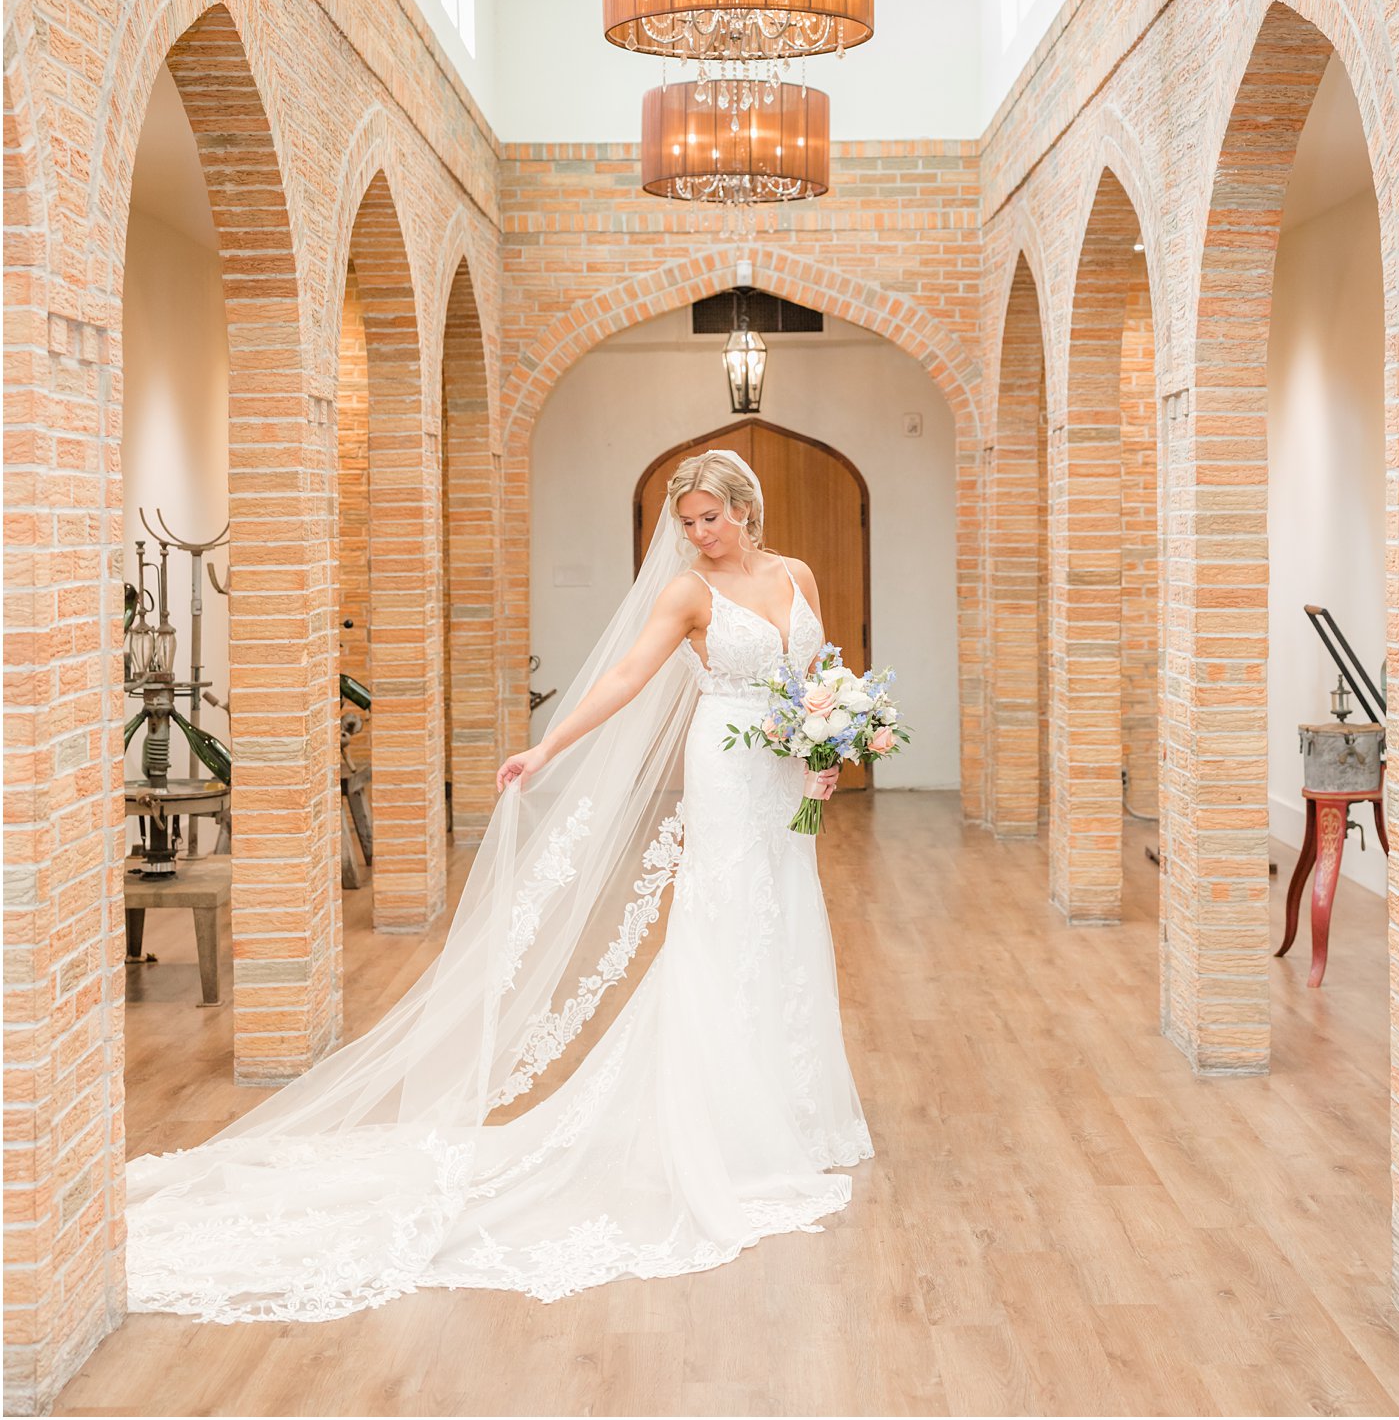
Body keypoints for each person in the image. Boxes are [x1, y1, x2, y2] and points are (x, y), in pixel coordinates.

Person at [125, 448, 871, 1320]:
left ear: (746, 508)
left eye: (713, 517)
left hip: (790, 774)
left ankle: (792, 1104)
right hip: (728, 770)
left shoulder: (797, 574)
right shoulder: (686, 594)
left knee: (786, 920)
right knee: (727, 920)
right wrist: (547, 746)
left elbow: (820, 675)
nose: (701, 534)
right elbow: (626, 678)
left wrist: (833, 741)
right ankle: (723, 1121)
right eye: (690, 522)